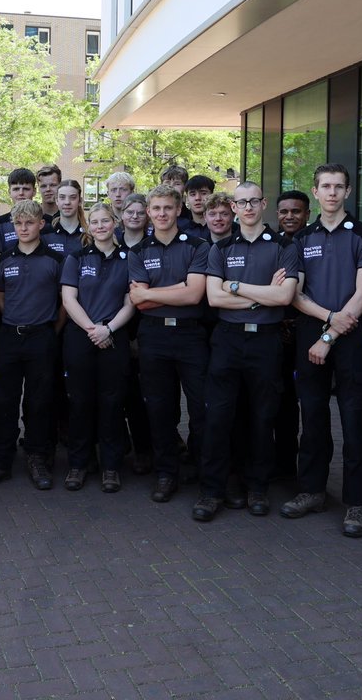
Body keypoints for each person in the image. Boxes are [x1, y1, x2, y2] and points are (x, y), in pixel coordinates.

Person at [281, 165, 362, 537]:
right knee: (314, 418)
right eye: (326, 186)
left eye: (339, 186)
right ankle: (311, 491)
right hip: (312, 333)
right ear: (315, 191)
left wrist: (331, 334)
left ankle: (357, 503)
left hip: (349, 338)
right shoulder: (299, 239)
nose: (333, 193)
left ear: (348, 192)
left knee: (354, 422)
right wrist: (329, 321)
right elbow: (296, 294)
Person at [196, 182, 299, 521]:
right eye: (242, 202)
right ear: (235, 208)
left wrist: (236, 286)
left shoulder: (284, 245)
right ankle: (213, 491)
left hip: (266, 342)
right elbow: (214, 297)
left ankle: (257, 488)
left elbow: (284, 298)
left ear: (264, 203)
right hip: (227, 339)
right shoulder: (221, 247)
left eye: (254, 200)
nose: (249, 207)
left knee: (262, 417)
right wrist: (264, 294)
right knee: (218, 417)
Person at [128, 185, 209, 503]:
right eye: (156, 208)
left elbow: (194, 295)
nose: (162, 213)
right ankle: (166, 473)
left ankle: (202, 469)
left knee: (201, 407)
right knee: (160, 409)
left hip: (191, 336)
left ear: (179, 211)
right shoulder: (138, 251)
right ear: (148, 212)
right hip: (154, 336)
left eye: (168, 208)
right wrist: (174, 291)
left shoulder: (197, 246)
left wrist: (151, 292)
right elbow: (138, 302)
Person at [0, 200, 65, 490]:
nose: (24, 228)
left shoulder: (55, 259)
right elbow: (0, 297)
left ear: (41, 224)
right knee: (4, 400)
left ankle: (37, 457)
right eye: (19, 224)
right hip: (10, 338)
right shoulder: (5, 259)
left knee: (39, 401)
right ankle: (0, 461)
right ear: (13, 227)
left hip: (43, 336)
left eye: (30, 223)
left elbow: (64, 302)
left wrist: (50, 330)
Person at [60, 203, 135, 492]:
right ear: (88, 226)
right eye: (95, 221)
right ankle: (79, 465)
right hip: (81, 336)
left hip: (114, 335)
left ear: (115, 223)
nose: (101, 226)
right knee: (79, 402)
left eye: (106, 220)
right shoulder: (76, 258)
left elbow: (132, 302)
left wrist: (108, 329)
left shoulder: (129, 258)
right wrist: (93, 329)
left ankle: (111, 467)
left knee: (113, 403)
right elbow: (69, 299)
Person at [273, 189, 311, 479]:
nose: (289, 216)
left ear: (306, 214)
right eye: (284, 211)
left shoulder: (312, 242)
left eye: (295, 211)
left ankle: (292, 468)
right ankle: (275, 463)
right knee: (274, 400)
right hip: (273, 336)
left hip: (307, 334)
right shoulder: (270, 245)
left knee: (299, 404)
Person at [116, 192, 152, 473]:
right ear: (122, 215)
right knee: (120, 391)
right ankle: (121, 444)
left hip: (147, 326)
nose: (135, 217)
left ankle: (145, 449)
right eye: (130, 212)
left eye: (141, 212)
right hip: (116, 325)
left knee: (144, 395)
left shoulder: (151, 246)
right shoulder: (111, 243)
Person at [0, 168, 37, 251]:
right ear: (9, 192)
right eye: (16, 189)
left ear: (34, 191)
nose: (21, 193)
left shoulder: (46, 223)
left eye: (26, 189)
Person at [50, 179, 87, 256]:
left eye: (72, 197)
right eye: (62, 197)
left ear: (80, 201)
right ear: (56, 201)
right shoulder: (46, 232)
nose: (67, 202)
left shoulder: (90, 235)